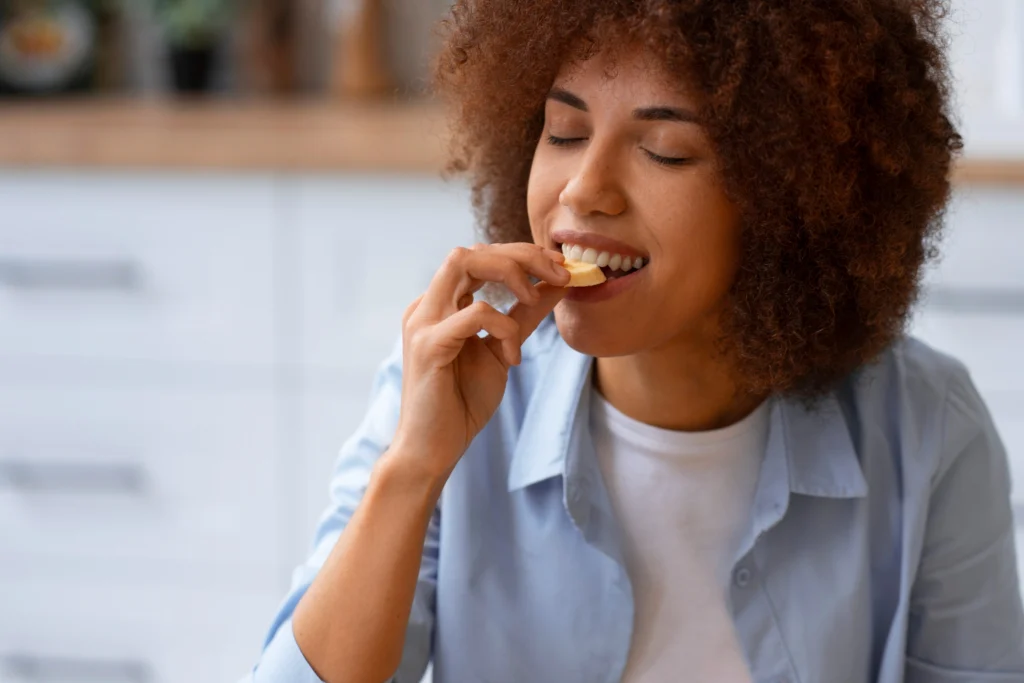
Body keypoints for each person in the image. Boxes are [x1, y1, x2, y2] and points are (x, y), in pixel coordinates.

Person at [244, 1, 1024, 681]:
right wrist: (412, 471)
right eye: (564, 131)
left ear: (788, 195)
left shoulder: (927, 429)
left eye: (665, 151)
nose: (584, 189)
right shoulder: (450, 389)